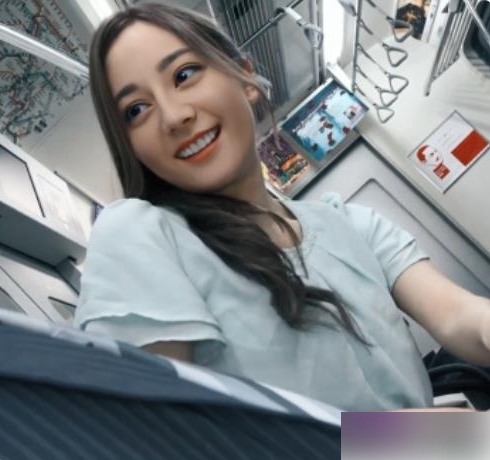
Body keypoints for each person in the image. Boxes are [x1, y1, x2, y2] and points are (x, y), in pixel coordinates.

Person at [74, 3, 490, 412]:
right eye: (136, 110)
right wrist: (419, 439)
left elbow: (457, 315)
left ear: (245, 78)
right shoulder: (139, 237)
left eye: (184, 75)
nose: (173, 116)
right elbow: (160, 435)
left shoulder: (349, 223)